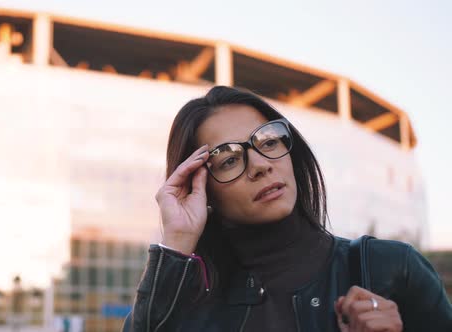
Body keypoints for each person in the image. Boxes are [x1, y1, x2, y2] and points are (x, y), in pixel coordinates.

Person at [122, 86, 452, 331]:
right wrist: (177, 240)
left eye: (268, 142)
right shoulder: (191, 305)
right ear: (202, 189)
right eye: (230, 159)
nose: (261, 165)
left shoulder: (392, 269)